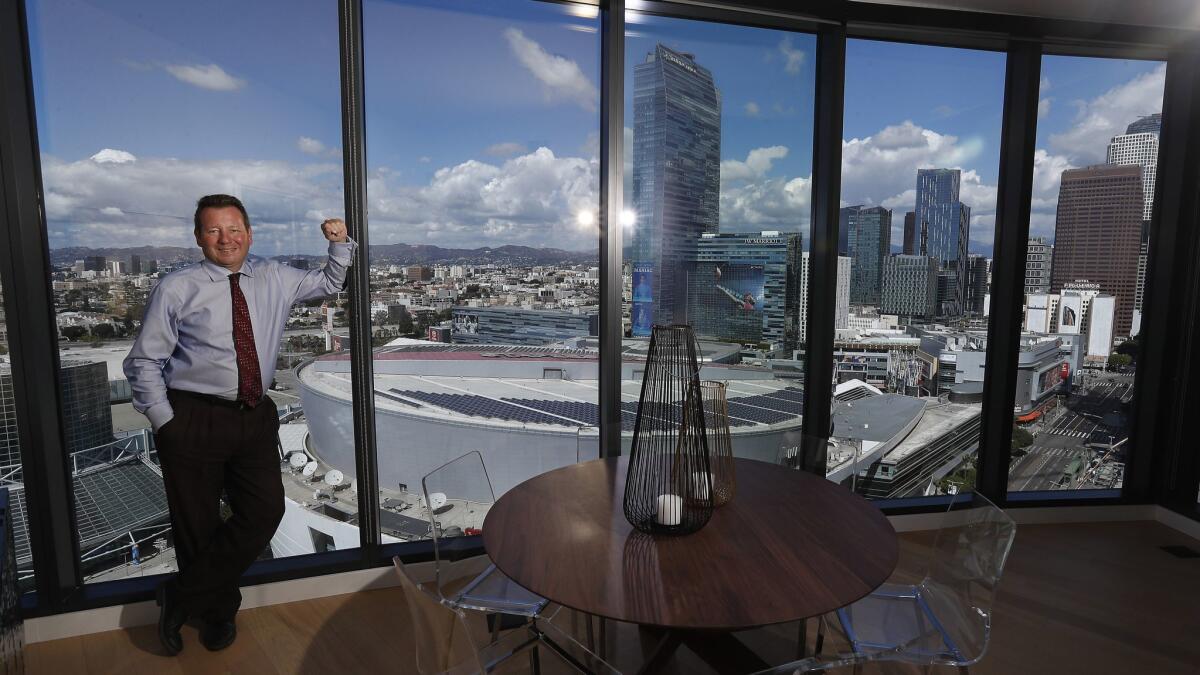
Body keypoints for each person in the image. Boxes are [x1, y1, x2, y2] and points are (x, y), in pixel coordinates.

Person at [123, 194, 356, 655]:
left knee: (265, 511)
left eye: (234, 229)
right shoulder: (177, 287)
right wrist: (165, 421)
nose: (225, 238)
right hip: (191, 417)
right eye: (213, 230)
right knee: (197, 525)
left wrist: (340, 243)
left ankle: (180, 595)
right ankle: (217, 614)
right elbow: (144, 361)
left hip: (253, 414)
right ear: (198, 238)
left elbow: (329, 284)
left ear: (249, 233)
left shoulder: (275, 277)